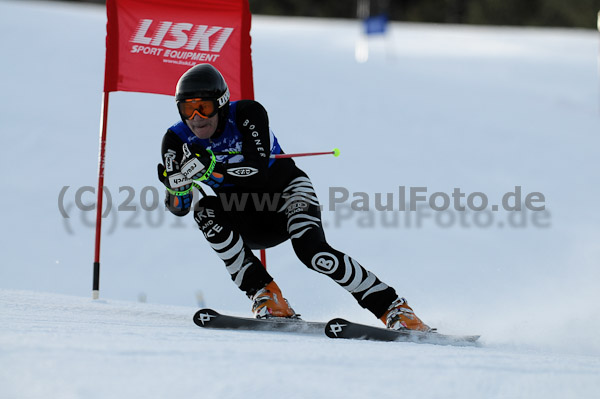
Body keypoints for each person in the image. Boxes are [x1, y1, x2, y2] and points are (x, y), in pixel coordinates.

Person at [157, 63, 431, 331]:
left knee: (313, 253)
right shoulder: (175, 141)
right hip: (243, 213)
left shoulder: (247, 114)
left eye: (203, 107)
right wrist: (176, 188)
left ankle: (394, 308)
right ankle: (268, 296)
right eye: (187, 109)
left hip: (286, 194)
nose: (196, 117)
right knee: (204, 209)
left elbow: (257, 173)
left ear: (221, 102)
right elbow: (180, 209)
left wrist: (213, 170)